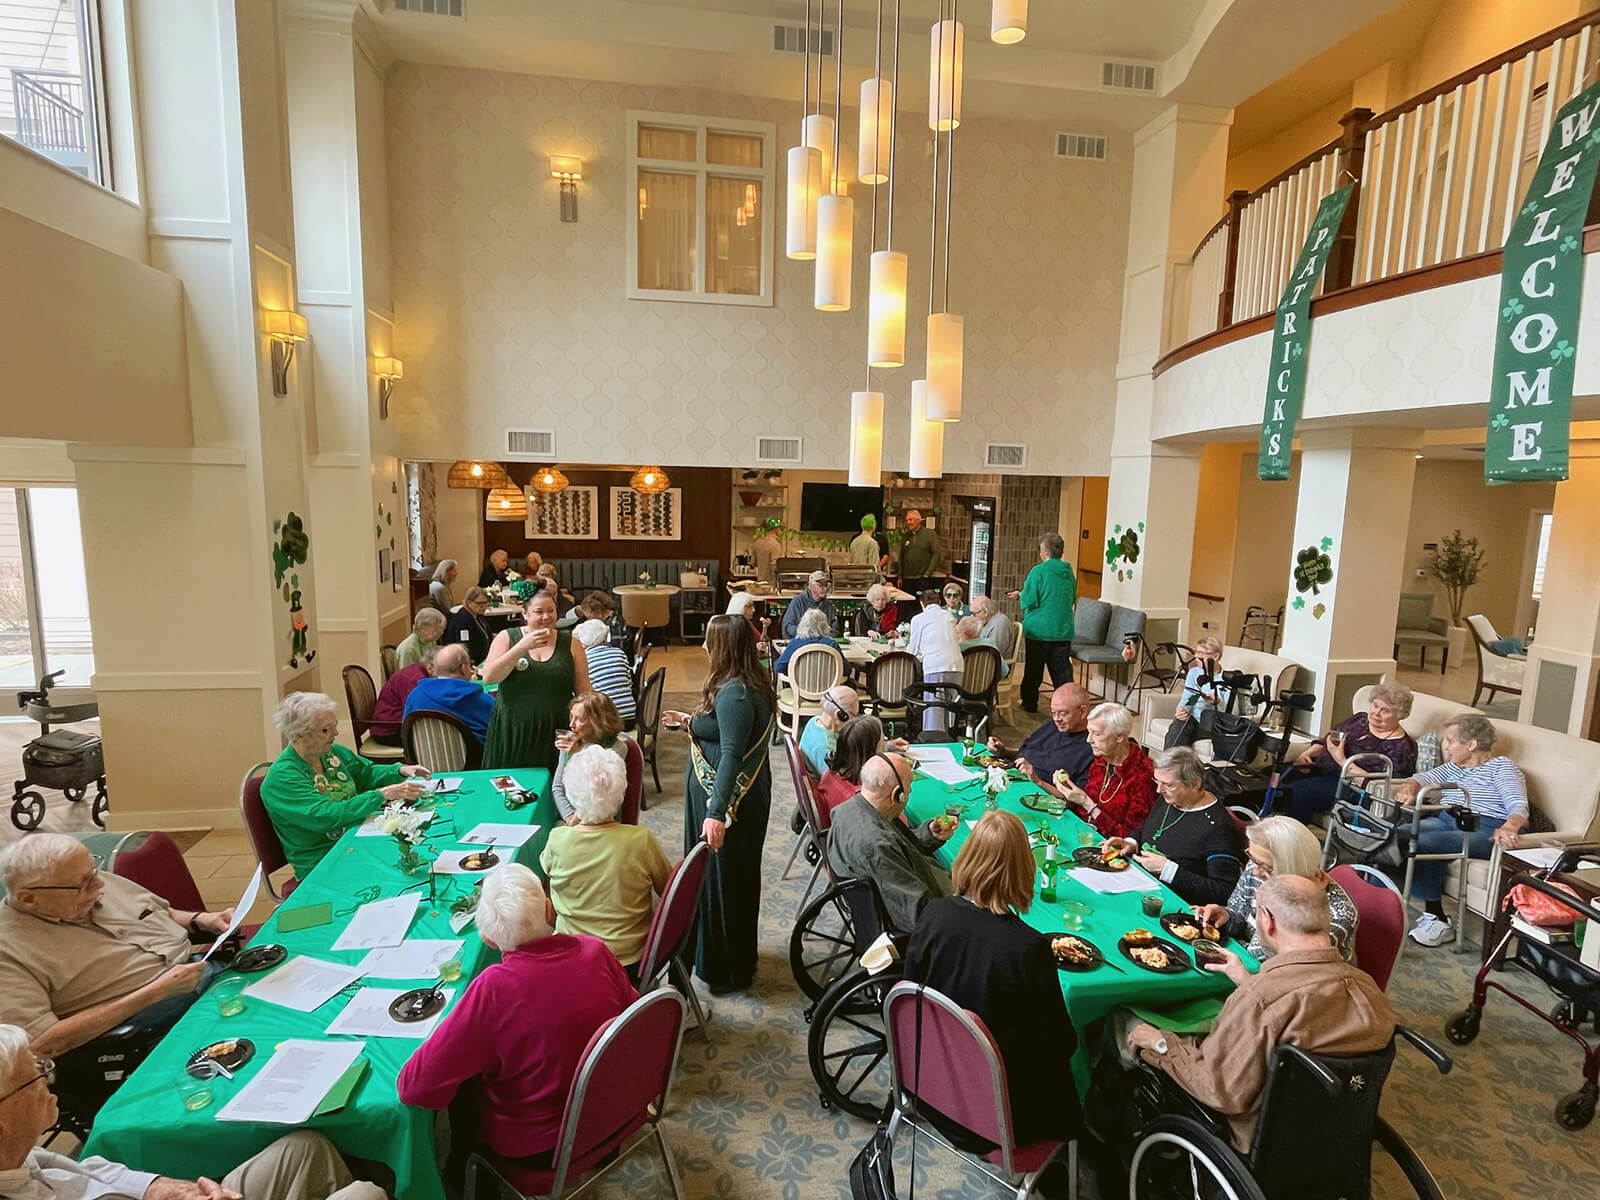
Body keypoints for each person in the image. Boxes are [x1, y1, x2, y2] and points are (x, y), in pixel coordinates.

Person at [1123, 875, 1396, 1151]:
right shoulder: (1372, 993)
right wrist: (1249, 982)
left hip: (1250, 1139)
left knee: (1127, 1022)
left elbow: (1220, 1090)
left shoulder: (1259, 1000)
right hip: (1328, 1140)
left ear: (1268, 920)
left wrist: (1161, 1043)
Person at [397, 864, 635, 1178]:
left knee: (466, 1079)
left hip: (543, 1148)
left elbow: (414, 1088)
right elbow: (635, 1017)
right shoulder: (595, 950)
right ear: (549, 909)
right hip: (618, 1113)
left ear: (488, 940)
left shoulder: (494, 988)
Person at [0, 1022, 387, 1199]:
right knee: (367, 1194)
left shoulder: (18, 1158)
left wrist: (161, 1188)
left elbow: (89, 1169)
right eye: (31, 1077)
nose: (48, 1080)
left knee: (303, 1148)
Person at [906, 812, 1084, 1151]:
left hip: (930, 1084)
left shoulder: (934, 914)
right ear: (1024, 870)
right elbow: (1060, 1043)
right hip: (996, 1116)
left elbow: (912, 994)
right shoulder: (1029, 947)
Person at [0, 836, 233, 1057]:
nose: (100, 883)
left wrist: (201, 920)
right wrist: (156, 992)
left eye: (94, 871)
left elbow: (162, 914)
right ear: (29, 899)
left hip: (203, 974)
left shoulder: (91, 882)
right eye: (84, 883)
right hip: (147, 1024)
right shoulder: (8, 950)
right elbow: (42, 1044)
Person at [660, 615, 775, 994]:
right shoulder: (742, 685)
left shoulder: (735, 693)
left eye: (710, 642)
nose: (705, 648)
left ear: (724, 647)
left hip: (729, 804)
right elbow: (725, 731)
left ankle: (726, 970)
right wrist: (691, 723)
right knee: (723, 881)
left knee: (725, 883)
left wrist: (715, 812)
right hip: (730, 798)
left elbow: (730, 753)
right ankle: (723, 960)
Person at [261, 693, 431, 877]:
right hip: (324, 861)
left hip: (357, 837)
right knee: (409, 868)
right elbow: (326, 815)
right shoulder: (283, 779)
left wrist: (398, 771)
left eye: (334, 727)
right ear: (298, 736)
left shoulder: (328, 751)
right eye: (325, 730)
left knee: (422, 850)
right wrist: (381, 795)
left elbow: (365, 774)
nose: (335, 734)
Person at [1394, 713, 1528, 947]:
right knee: (1398, 835)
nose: (1446, 747)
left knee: (1425, 843)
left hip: (1482, 829)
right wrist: (1410, 787)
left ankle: (1438, 919)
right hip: (1447, 819)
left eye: (1450, 741)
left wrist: (1510, 826)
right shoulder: (1455, 767)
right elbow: (1422, 777)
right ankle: (1385, 899)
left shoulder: (1502, 767)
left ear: (1472, 744)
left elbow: (1518, 805)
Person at [540, 745, 671, 978]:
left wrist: (577, 817)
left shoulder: (557, 841)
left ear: (571, 792)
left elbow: (547, 893)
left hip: (574, 963)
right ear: (621, 791)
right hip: (631, 963)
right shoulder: (640, 841)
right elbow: (669, 893)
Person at [1195, 815, 1358, 963]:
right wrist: (1227, 917)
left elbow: (1278, 959)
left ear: (1291, 868)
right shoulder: (1258, 868)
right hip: (1246, 960)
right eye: (1251, 857)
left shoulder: (1336, 913)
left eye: (1264, 866)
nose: (1254, 871)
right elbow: (1240, 917)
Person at [826, 753, 953, 935]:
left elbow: (902, 847)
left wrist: (931, 833)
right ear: (897, 795)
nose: (909, 792)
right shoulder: (877, 845)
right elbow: (916, 914)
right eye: (909, 787)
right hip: (929, 910)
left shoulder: (849, 809)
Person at [1105, 747, 1244, 906]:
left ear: (1195, 784)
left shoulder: (1219, 828)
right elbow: (1149, 828)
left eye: (1168, 785)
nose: (1158, 790)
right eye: (1157, 781)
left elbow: (1224, 891)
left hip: (1172, 904)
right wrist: (1130, 843)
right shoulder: (1171, 798)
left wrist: (1168, 870)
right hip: (1137, 883)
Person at [480, 589, 591, 770]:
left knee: (553, 789)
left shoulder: (572, 643)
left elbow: (584, 690)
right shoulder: (506, 637)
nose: (546, 617)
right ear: (525, 614)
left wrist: (584, 728)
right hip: (513, 730)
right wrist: (523, 645)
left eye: (551, 610)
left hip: (555, 729)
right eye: (539, 612)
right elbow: (489, 677)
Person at [1280, 682, 1418, 823]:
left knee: (1299, 790)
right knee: (1274, 775)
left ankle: (1294, 837)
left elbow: (1382, 787)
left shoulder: (1402, 747)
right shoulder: (1360, 720)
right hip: (1323, 770)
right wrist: (1307, 754)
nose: (1376, 713)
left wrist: (1342, 760)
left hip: (1352, 788)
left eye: (1385, 711)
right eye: (1375, 706)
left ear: (1399, 716)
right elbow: (1330, 738)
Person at [1031, 701, 1157, 839]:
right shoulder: (1102, 760)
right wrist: (1067, 787)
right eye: (1089, 732)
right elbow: (1082, 808)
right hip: (1082, 832)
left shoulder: (1143, 774)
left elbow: (1129, 838)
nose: (1088, 740)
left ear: (1119, 736)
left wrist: (1086, 802)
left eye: (1096, 734)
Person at [1012, 532, 1076, 715]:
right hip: (1062, 630)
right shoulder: (1068, 573)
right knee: (1062, 674)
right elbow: (1071, 598)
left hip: (1039, 631)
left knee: (1034, 671)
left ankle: (1030, 704)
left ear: (1045, 551)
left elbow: (1030, 600)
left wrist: (1021, 595)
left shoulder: (1038, 571)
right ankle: (1068, 708)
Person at [986, 683, 1095, 786]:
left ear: (1083, 711)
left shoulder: (1092, 746)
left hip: (1038, 794)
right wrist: (1004, 751)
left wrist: (1037, 781)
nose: (1057, 719)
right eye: (1053, 713)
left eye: (1062, 713)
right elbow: (1028, 752)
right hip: (1013, 775)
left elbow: (1073, 798)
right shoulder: (1055, 726)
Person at [550, 692, 633, 824]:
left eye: (579, 719)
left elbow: (600, 796)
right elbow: (557, 787)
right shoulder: (570, 742)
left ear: (598, 722)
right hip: (571, 819)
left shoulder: (617, 748)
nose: (572, 724)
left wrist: (578, 754)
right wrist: (569, 816)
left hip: (604, 821)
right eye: (571, 716)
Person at [816, 714, 907, 818]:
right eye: (882, 742)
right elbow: (902, 824)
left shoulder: (830, 774)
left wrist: (887, 746)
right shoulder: (866, 802)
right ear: (871, 753)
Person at [402, 644, 495, 743]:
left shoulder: (415, 695)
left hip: (422, 757)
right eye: (470, 664)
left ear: (435, 669)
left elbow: (406, 731)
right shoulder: (483, 701)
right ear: (463, 668)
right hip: (473, 757)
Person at [907, 590, 963, 737]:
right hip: (957, 665)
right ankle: (953, 737)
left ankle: (933, 741)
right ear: (939, 602)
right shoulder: (949, 616)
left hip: (935, 666)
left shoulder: (919, 618)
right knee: (952, 709)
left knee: (934, 710)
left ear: (922, 603)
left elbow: (912, 650)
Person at [572, 618, 636, 723]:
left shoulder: (584, 659)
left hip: (604, 720)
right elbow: (629, 682)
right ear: (605, 639)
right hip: (629, 715)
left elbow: (582, 693)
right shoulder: (619, 653)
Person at [368, 650, 432, 745]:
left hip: (394, 725)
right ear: (431, 667)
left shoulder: (417, 669)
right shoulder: (415, 680)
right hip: (389, 731)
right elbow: (416, 713)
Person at [1170, 636, 1229, 732]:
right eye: (1196, 652)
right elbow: (1189, 696)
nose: (1196, 657)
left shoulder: (1226, 679)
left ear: (1216, 656)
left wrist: (1217, 702)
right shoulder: (1194, 673)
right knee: (1178, 726)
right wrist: (1183, 709)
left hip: (1212, 723)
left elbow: (1229, 711)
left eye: (1201, 653)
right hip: (1192, 719)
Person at [798, 684, 858, 777]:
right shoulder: (826, 750)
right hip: (826, 787)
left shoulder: (813, 721)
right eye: (853, 716)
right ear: (841, 715)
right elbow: (833, 783)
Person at [775, 607, 836, 674]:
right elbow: (846, 669)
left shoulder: (795, 643)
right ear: (824, 625)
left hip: (798, 683)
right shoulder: (831, 644)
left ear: (802, 624)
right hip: (829, 684)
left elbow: (779, 667)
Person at [443, 586, 495, 664]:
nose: (484, 607)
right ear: (469, 602)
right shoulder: (462, 620)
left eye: (486, 603)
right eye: (480, 603)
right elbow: (464, 646)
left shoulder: (477, 615)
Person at [782, 570, 838, 639]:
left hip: (822, 643)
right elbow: (788, 627)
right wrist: (807, 634)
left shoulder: (828, 605)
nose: (825, 588)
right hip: (801, 643)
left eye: (826, 585)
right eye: (820, 585)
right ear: (811, 586)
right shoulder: (798, 601)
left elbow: (835, 630)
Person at [897, 509, 942, 593]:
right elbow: (901, 557)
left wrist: (927, 574)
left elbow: (936, 554)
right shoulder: (905, 536)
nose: (908, 522)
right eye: (906, 520)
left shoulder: (930, 534)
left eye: (910, 520)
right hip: (906, 579)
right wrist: (900, 576)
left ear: (918, 520)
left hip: (922, 579)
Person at [957, 614, 1009, 678]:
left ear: (963, 633)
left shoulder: (959, 647)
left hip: (963, 685)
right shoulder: (990, 644)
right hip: (988, 685)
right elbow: (1004, 671)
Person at [971, 594, 1017, 659]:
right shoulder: (989, 621)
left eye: (974, 613)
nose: (973, 617)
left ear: (985, 612)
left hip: (992, 665)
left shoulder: (1000, 623)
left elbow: (994, 652)